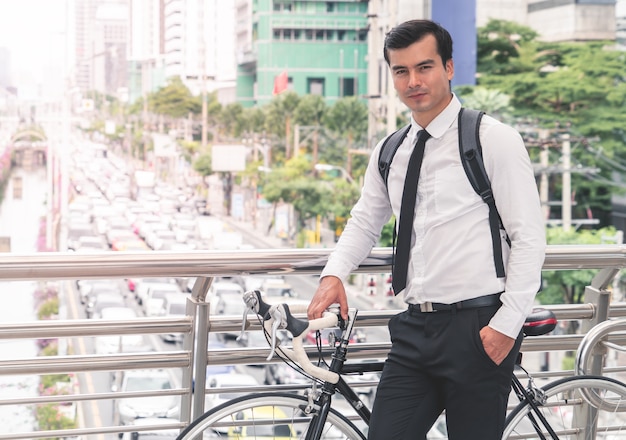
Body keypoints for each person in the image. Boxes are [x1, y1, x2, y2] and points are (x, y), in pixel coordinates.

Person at [307, 19, 546, 439]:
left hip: (479, 326)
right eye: (401, 71)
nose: (413, 81)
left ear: (449, 68)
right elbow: (366, 219)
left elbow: (528, 237)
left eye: (425, 67)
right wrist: (334, 274)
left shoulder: (492, 139)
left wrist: (505, 327)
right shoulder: (391, 150)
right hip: (414, 329)